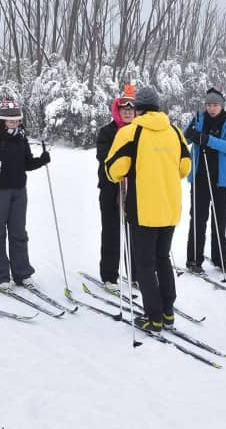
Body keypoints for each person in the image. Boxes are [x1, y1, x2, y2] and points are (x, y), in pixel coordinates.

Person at [104, 86, 191, 334]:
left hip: (143, 210)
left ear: (139, 108)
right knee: (162, 259)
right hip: (170, 208)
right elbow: (185, 167)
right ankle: (167, 312)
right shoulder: (174, 132)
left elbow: (114, 169)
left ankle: (153, 318)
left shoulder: (132, 132)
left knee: (144, 265)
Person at [0, 98, 51, 289]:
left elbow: (26, 163)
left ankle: (22, 272)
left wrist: (41, 161)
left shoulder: (20, 137)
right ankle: (0, 276)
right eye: (10, 121)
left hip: (18, 189)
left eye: (17, 120)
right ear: (1, 120)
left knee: (18, 231)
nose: (14, 124)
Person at [183, 87, 226, 275]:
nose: (212, 108)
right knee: (198, 220)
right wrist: (190, 134)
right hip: (200, 176)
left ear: (222, 105)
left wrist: (207, 139)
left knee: (219, 220)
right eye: (209, 104)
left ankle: (220, 258)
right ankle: (193, 259)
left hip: (220, 179)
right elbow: (183, 138)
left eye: (215, 105)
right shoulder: (199, 118)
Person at [95, 85, 136, 290]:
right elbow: (104, 156)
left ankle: (137, 274)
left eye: (131, 110)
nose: (127, 113)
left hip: (135, 190)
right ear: (117, 111)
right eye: (124, 110)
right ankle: (110, 275)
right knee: (111, 232)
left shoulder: (141, 131)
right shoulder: (107, 132)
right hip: (111, 188)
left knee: (136, 232)